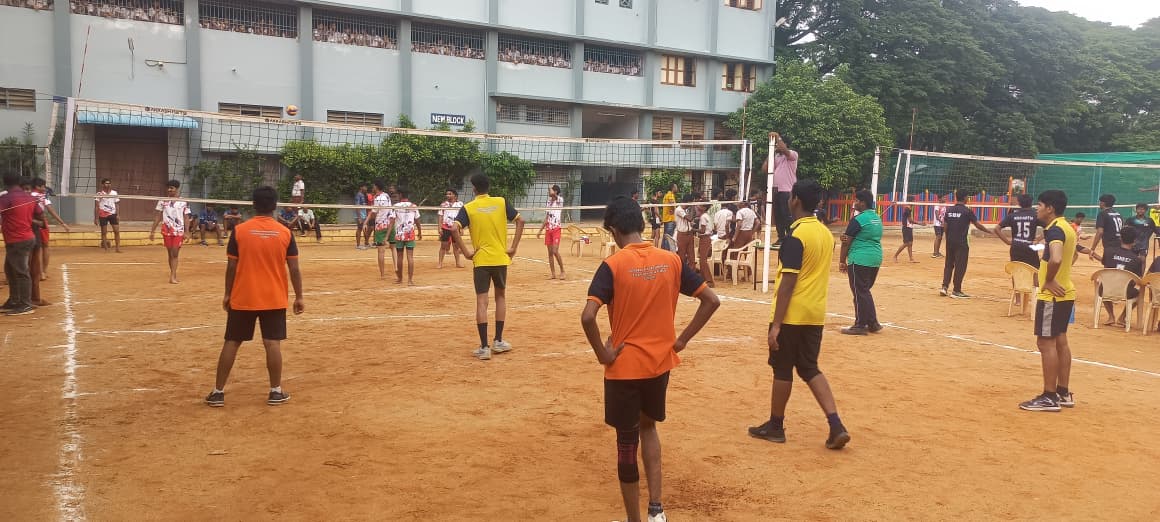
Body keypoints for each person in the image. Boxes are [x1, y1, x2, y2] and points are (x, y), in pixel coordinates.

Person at [580, 196, 719, 522]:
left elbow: (588, 316)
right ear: (641, 225)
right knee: (649, 427)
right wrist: (681, 340)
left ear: (613, 230)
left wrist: (603, 354)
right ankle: (657, 510)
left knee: (626, 443)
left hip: (624, 368)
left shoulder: (613, 265)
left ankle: (634, 520)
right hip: (659, 365)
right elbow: (711, 300)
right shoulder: (670, 260)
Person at [748, 179, 850, 449]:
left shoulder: (795, 237)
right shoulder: (824, 234)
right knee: (809, 367)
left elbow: (788, 285)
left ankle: (776, 425)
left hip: (792, 314)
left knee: (782, 368)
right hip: (815, 314)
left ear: (794, 200)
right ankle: (835, 424)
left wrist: (776, 325)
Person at [205, 186, 304, 408]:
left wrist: (227, 294)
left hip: (244, 296)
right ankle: (275, 392)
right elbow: (294, 269)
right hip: (273, 297)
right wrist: (299, 296)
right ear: (275, 206)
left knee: (232, 341)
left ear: (253, 205)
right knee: (272, 343)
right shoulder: (285, 232)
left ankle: (218, 392)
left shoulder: (240, 231)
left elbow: (231, 266)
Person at [450, 173, 525, 361]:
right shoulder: (500, 202)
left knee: (482, 301)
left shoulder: (468, 208)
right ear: (488, 187)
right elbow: (520, 221)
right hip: (500, 258)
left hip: (481, 261)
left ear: (474, 188)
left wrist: (466, 252)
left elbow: (453, 229)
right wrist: (513, 247)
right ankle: (498, 341)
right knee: (500, 296)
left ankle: (484, 347)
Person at [1020, 190, 1082, 412]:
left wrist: (1048, 279)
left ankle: (1049, 396)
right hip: (1066, 293)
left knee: (1045, 343)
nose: (1037, 209)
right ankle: (1063, 392)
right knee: (1060, 341)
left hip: (1052, 296)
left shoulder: (1054, 230)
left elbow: (1056, 256)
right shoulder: (1068, 228)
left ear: (1050, 208)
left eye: (1040, 205)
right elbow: (1069, 256)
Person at [839, 189, 884, 335]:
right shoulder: (877, 218)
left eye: (857, 200)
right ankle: (873, 323)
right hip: (875, 258)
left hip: (859, 258)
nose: (855, 203)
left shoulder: (858, 220)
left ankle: (860, 325)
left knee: (859, 292)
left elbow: (846, 241)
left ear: (863, 203)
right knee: (864, 291)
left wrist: (841, 261)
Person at [0, 172, 44, 316]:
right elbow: (39, 214)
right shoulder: (29, 197)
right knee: (10, 269)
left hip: (18, 239)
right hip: (24, 238)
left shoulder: (6, 198)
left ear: (5, 183)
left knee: (20, 271)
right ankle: (14, 301)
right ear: (19, 182)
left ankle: (25, 304)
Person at [939, 189, 990, 298]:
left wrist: (948, 238)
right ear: (965, 198)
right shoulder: (967, 211)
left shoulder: (949, 210)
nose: (968, 199)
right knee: (960, 266)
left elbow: (945, 226)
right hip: (961, 243)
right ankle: (956, 290)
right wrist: (989, 231)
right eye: (968, 197)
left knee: (948, 264)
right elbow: (977, 225)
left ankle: (944, 287)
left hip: (950, 241)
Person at [1090, 227, 1144, 327]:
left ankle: (1111, 316)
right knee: (1139, 292)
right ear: (1134, 241)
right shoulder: (1137, 260)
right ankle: (1122, 317)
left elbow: (1106, 266)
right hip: (1126, 292)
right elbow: (1138, 280)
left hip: (1106, 289)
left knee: (1103, 284)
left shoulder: (1108, 251)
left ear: (1121, 238)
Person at [148, 180, 192, 285]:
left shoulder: (184, 201)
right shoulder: (162, 200)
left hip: (178, 231)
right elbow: (158, 216)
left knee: (175, 252)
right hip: (167, 230)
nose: (169, 189)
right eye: (168, 187)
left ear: (177, 189)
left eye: (171, 188)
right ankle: (173, 273)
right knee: (170, 253)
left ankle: (172, 276)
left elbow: (186, 217)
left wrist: (187, 231)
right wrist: (152, 231)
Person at [31, 178, 70, 279]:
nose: (45, 188)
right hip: (41, 222)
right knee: (44, 246)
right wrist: (63, 223)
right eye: (43, 186)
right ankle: (43, 272)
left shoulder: (28, 194)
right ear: (37, 187)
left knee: (36, 249)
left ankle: (38, 272)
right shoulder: (41, 196)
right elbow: (51, 211)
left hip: (30, 222)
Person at [994, 194, 1042, 268]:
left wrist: (1007, 242)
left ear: (1019, 203)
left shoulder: (1013, 215)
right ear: (1031, 203)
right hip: (1030, 246)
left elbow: (996, 229)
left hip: (1016, 246)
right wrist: (1038, 239)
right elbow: (1049, 227)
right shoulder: (1035, 215)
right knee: (1034, 270)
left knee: (1016, 271)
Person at [767, 131, 798, 243]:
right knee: (778, 217)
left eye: (778, 143)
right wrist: (771, 153)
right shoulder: (777, 156)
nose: (776, 145)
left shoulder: (793, 154)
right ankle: (781, 238)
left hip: (787, 191)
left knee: (787, 216)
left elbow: (784, 149)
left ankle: (791, 238)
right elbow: (765, 169)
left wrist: (778, 137)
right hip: (776, 191)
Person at [389, 188, 421, 285]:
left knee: (399, 257)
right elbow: (417, 220)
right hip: (410, 234)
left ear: (400, 195)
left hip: (399, 235)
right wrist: (420, 231)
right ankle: (410, 280)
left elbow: (391, 222)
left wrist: (387, 236)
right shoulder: (413, 206)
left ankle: (400, 278)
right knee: (410, 257)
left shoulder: (395, 206)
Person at [365, 180, 395, 280]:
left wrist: (366, 221)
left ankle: (382, 274)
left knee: (381, 251)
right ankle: (396, 268)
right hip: (390, 224)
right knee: (393, 247)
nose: (372, 188)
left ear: (376, 187)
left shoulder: (377, 199)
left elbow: (373, 212)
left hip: (380, 226)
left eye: (373, 186)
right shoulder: (386, 195)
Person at [537, 184, 566, 280]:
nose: (549, 192)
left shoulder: (560, 200)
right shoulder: (549, 202)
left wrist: (552, 188)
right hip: (548, 229)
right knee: (550, 253)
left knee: (555, 251)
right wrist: (540, 230)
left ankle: (562, 271)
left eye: (550, 190)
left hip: (556, 228)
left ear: (555, 192)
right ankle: (553, 273)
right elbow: (547, 217)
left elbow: (556, 196)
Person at [1089, 194, 1123, 261]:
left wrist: (1092, 248)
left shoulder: (1102, 214)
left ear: (1103, 203)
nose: (1099, 204)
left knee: (1109, 265)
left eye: (1100, 202)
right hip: (1120, 243)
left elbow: (1100, 232)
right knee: (1116, 263)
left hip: (1110, 244)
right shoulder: (1118, 214)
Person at [438, 189, 465, 268]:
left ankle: (458, 263)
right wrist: (439, 228)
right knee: (443, 246)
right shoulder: (443, 205)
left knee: (456, 246)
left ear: (455, 196)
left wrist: (462, 228)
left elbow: (462, 217)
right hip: (445, 227)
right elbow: (440, 216)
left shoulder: (460, 204)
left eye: (450, 194)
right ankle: (440, 263)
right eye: (447, 194)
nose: (448, 195)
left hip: (456, 227)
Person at [94, 178, 122, 252]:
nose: (108, 184)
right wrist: (96, 218)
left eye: (109, 183)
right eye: (106, 183)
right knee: (104, 232)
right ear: (103, 184)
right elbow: (96, 206)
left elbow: (117, 204)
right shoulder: (99, 194)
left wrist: (118, 215)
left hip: (112, 214)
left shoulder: (114, 193)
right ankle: (106, 249)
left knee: (117, 231)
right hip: (103, 214)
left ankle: (117, 248)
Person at [696, 201, 715, 287]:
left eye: (700, 205)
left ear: (704, 208)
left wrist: (693, 230)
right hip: (706, 238)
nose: (698, 206)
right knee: (702, 260)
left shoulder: (703, 217)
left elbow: (702, 230)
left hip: (704, 238)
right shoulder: (707, 216)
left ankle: (709, 280)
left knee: (703, 260)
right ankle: (704, 278)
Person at [674, 194, 696, 267]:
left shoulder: (686, 210)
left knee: (691, 256)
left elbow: (690, 219)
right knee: (682, 256)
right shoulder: (679, 210)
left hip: (689, 234)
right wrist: (693, 207)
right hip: (682, 235)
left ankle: (692, 275)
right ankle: (682, 275)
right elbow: (689, 218)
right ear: (688, 202)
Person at [661, 184, 677, 251]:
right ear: (673, 188)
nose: (677, 188)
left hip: (666, 218)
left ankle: (663, 250)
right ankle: (667, 252)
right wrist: (674, 210)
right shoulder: (670, 195)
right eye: (676, 187)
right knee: (669, 237)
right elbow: (672, 203)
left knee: (665, 236)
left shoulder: (666, 195)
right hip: (670, 219)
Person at [354, 184, 369, 250]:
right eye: (365, 186)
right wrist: (359, 217)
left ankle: (366, 243)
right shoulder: (358, 195)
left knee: (364, 229)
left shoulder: (363, 195)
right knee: (359, 229)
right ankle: (358, 245)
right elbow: (357, 207)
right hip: (360, 215)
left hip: (364, 215)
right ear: (361, 187)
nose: (366, 188)